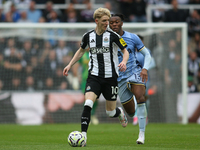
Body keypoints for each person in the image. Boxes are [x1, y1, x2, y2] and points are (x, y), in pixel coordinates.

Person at [63, 8, 129, 147]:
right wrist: (69, 65)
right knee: (88, 103)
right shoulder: (88, 36)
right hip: (94, 76)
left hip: (111, 78)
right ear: (97, 21)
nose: (107, 23)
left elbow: (125, 51)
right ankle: (84, 137)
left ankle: (119, 112)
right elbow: (81, 51)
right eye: (105, 21)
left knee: (110, 112)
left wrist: (123, 61)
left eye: (108, 21)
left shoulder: (113, 36)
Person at [109, 14, 152, 144]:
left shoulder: (133, 37)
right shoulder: (107, 39)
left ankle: (141, 135)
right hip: (119, 79)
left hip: (134, 72)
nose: (114, 24)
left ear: (122, 23)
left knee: (141, 98)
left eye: (117, 22)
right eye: (112, 23)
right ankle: (126, 114)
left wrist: (144, 68)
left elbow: (147, 54)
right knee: (131, 112)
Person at [133, 35, 156, 125]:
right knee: (136, 97)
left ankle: (144, 116)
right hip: (135, 79)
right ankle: (136, 116)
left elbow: (152, 64)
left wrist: (144, 69)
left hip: (145, 79)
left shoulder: (147, 52)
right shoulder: (131, 52)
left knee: (144, 98)